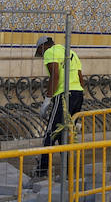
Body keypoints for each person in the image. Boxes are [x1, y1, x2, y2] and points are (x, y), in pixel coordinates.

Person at [34, 36, 84, 176]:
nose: (42, 55)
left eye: (40, 52)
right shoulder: (70, 52)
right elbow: (80, 77)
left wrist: (47, 100)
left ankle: (42, 170)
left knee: (50, 132)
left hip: (63, 96)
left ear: (43, 46)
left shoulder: (50, 52)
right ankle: (68, 171)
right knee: (66, 134)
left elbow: (55, 75)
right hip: (78, 94)